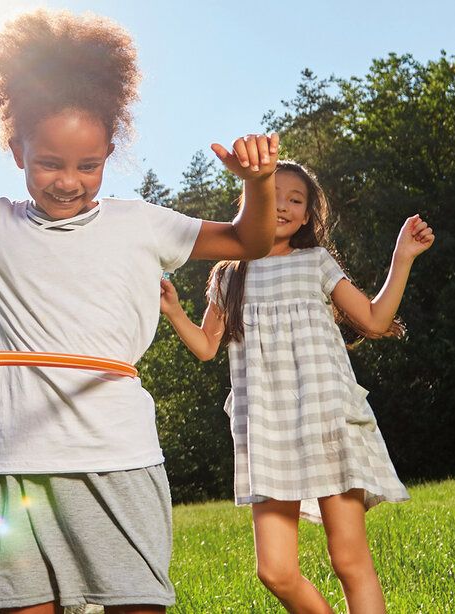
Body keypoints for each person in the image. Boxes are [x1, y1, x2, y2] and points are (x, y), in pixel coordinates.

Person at [0, 9, 279, 612]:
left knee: (134, 603)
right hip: (16, 464)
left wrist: (259, 183)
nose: (69, 181)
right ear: (17, 152)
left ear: (109, 152)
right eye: (49, 164)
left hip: (117, 457)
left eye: (88, 165)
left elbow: (249, 241)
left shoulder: (142, 224)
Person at [160, 160, 434, 613]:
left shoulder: (316, 262)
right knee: (275, 571)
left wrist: (401, 257)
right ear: (249, 203)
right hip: (266, 428)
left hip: (325, 415)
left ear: (307, 216)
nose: (283, 206)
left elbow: (374, 319)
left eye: (296, 200)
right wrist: (174, 313)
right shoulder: (230, 275)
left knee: (348, 558)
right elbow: (207, 347)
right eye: (272, 195)